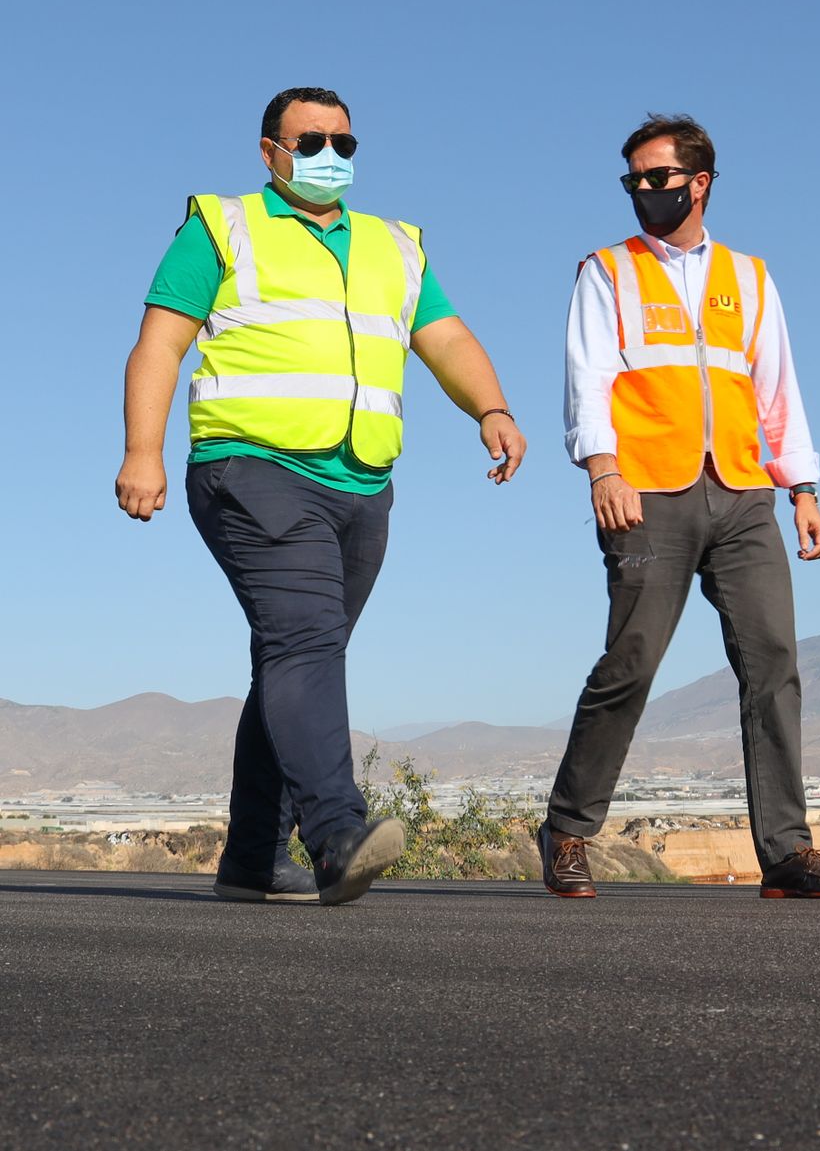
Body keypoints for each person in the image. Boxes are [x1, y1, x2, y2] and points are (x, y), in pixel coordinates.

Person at [116, 86, 526, 906]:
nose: (328, 155)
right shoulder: (223, 226)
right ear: (269, 151)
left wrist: (492, 407)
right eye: (309, 142)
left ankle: (252, 859)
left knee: (296, 654)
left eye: (343, 140)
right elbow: (161, 339)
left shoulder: (393, 245)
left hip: (363, 481)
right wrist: (142, 451)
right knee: (305, 641)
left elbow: (442, 336)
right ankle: (338, 832)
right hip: (252, 468)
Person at [544, 113, 820, 901]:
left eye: (657, 177)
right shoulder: (607, 271)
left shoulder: (750, 276)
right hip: (646, 491)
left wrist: (805, 489)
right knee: (633, 661)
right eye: (634, 180)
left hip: (745, 492)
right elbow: (587, 378)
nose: (643, 191)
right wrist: (602, 467)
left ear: (701, 182)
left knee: (774, 664)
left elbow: (776, 387)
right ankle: (567, 828)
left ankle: (787, 853)